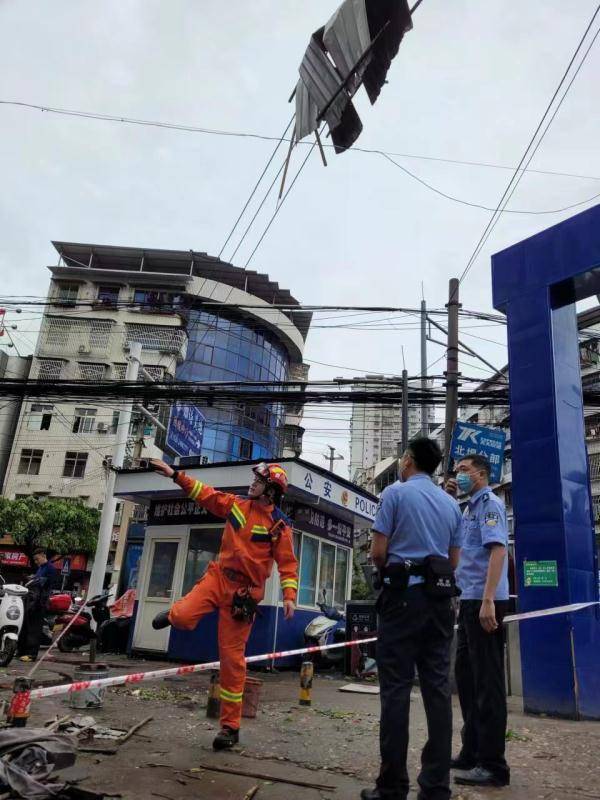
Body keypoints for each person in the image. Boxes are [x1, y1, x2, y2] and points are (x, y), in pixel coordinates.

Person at [149, 459, 298, 750]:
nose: (252, 482)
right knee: (182, 617)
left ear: (270, 491)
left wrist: (290, 596)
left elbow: (288, 564)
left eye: (259, 480)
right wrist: (175, 475)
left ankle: (230, 728)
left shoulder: (280, 527)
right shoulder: (236, 505)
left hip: (243, 597)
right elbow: (205, 493)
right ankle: (175, 614)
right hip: (217, 578)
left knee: (232, 662)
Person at [361, 437, 463, 800]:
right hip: (439, 604)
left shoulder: (395, 494)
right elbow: (453, 563)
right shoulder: (451, 505)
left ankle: (391, 787)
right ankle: (436, 786)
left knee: (396, 691)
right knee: (437, 691)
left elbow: (377, 552)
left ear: (408, 460)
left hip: (402, 601)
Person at [446, 454, 510, 788]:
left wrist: (487, 600)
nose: (459, 475)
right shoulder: (468, 507)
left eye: (465, 470)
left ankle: (493, 765)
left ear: (482, 474)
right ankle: (471, 752)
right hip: (470, 601)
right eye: (457, 470)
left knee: (488, 685)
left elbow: (498, 551)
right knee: (467, 681)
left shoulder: (490, 505)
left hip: (486, 603)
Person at [18, 549, 58, 662]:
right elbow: (37, 580)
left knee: (34, 629)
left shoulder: (50, 568)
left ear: (43, 556)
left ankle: (31, 655)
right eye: (34, 559)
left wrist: (35, 579)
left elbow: (43, 583)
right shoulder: (41, 568)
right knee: (26, 626)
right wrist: (32, 578)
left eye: (37, 559)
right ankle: (21, 651)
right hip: (32, 600)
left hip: (40, 602)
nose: (36, 561)